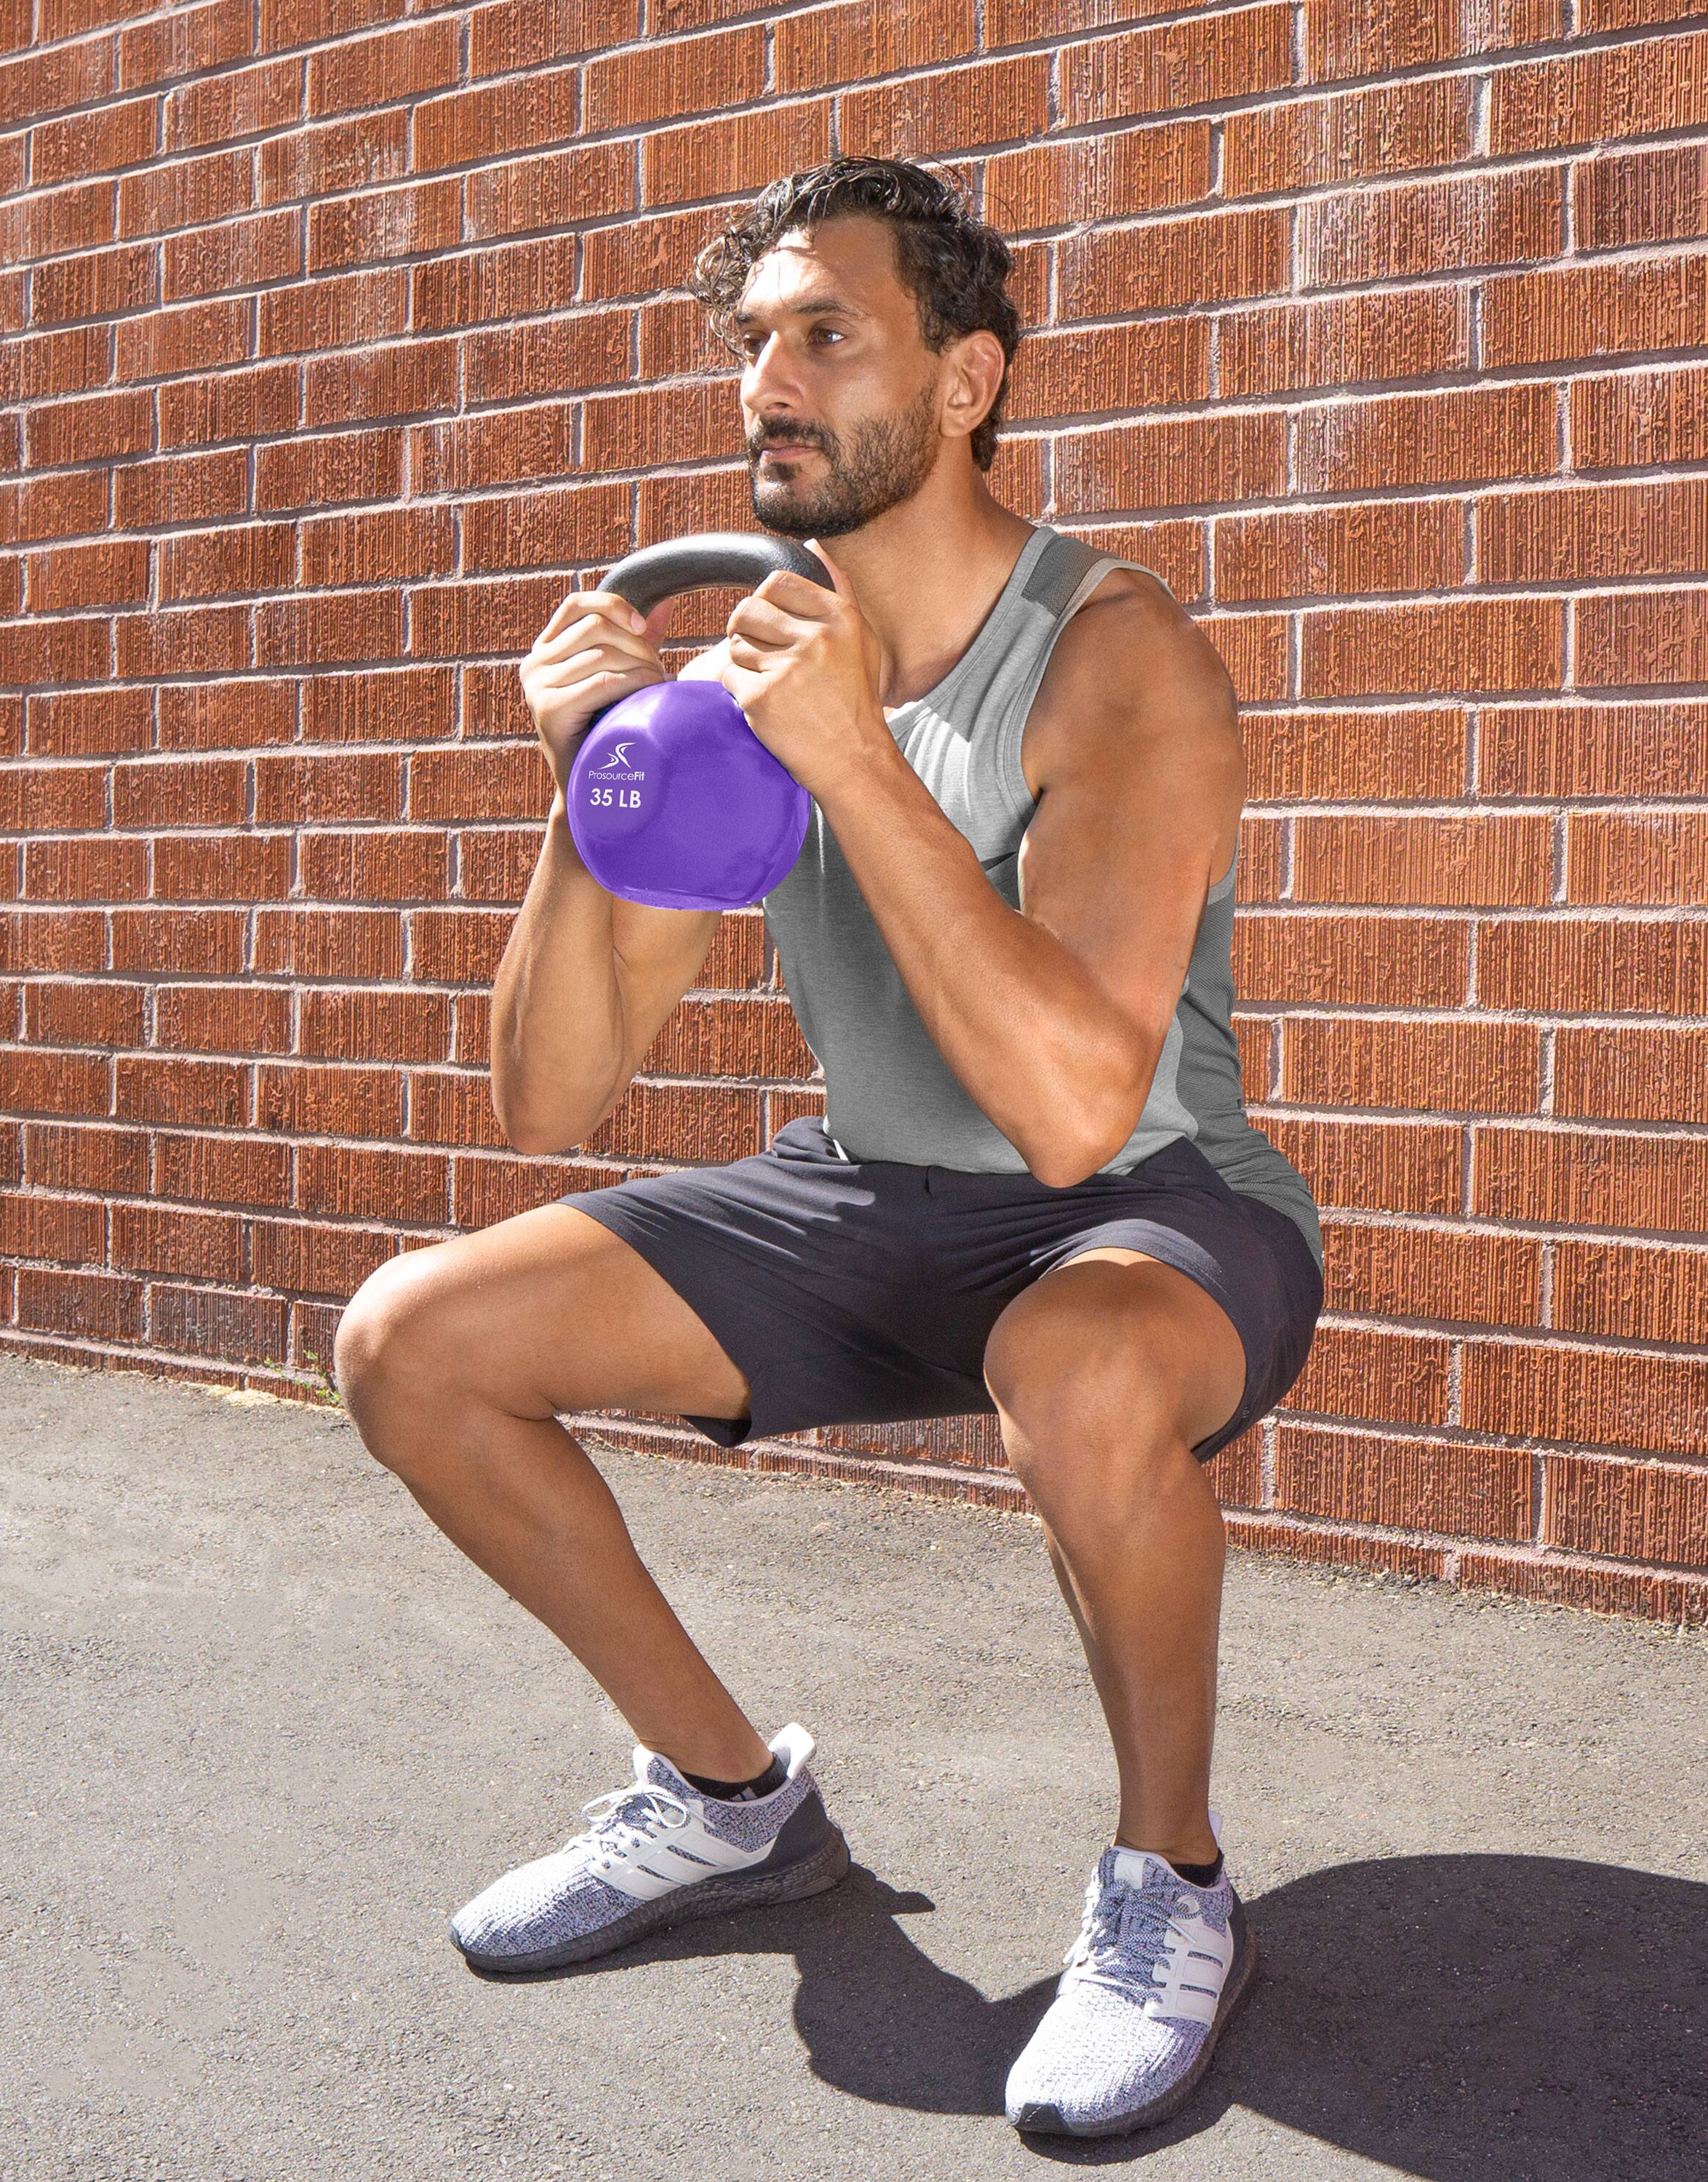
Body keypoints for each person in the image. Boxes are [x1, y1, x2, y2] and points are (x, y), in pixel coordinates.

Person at [332, 156, 1323, 2141]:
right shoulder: (739, 686)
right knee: (410, 1342)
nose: (766, 382)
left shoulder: (1116, 652)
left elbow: (1072, 1111)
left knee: (1082, 1356)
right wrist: (587, 792)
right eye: (752, 344)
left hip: (1151, 1213)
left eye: (823, 334)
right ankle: (725, 1802)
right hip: (873, 1200)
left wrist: (860, 763)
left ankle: (1169, 1882)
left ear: (966, 382)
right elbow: (552, 1098)